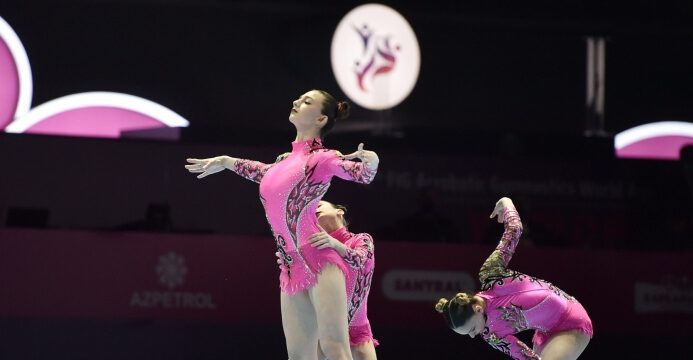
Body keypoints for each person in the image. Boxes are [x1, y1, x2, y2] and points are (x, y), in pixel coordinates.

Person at [185, 89, 379, 360]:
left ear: (321, 119)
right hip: (290, 268)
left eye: (306, 102)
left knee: (334, 347)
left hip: (319, 259)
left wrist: (372, 163)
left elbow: (361, 175)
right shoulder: (284, 162)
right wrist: (227, 162)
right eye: (299, 99)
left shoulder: (321, 159)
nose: (296, 102)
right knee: (299, 357)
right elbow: (263, 172)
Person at [434, 197, 593, 360]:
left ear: (477, 309)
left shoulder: (490, 274)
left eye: (472, 329)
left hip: (571, 318)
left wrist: (506, 203)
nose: (474, 336)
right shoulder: (491, 335)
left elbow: (515, 229)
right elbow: (525, 356)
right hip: (545, 333)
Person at [277, 200, 378, 360]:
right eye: (309, 210)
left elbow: (359, 259)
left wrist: (334, 244)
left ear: (340, 211)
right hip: (325, 328)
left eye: (319, 205)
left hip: (357, 331)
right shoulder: (314, 253)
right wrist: (290, 263)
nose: (313, 209)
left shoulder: (361, 240)